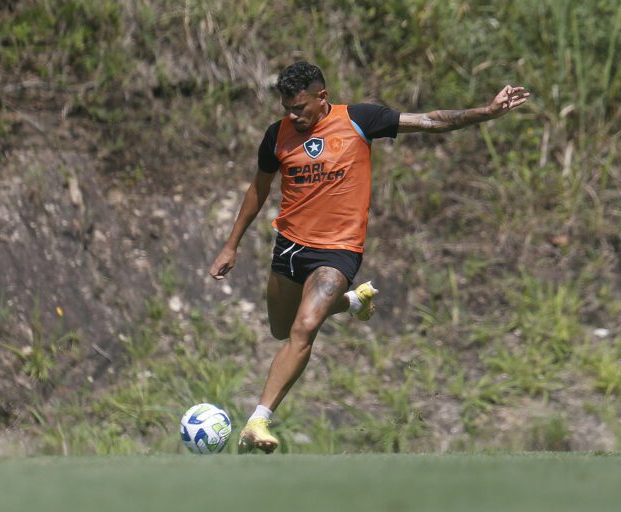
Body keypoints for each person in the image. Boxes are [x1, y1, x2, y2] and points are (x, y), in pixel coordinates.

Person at [208, 61, 529, 454]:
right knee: (281, 328)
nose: (293, 115)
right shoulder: (277, 136)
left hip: (338, 250)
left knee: (303, 329)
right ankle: (352, 302)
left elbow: (430, 121)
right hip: (290, 246)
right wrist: (231, 244)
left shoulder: (361, 119)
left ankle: (258, 420)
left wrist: (486, 111)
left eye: (300, 107)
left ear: (322, 97)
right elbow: (257, 190)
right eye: (287, 107)